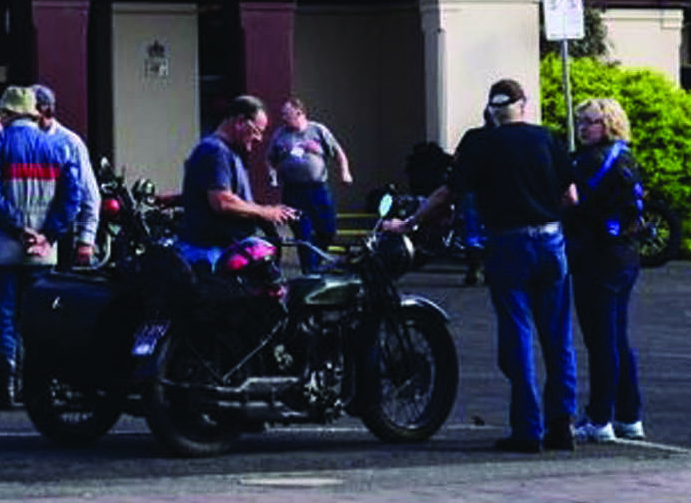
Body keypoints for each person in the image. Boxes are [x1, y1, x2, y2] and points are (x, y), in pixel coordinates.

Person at [389, 78, 578, 452]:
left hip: (508, 242)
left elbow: (448, 194)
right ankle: (561, 423)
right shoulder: (547, 138)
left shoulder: (481, 143)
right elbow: (571, 196)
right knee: (557, 335)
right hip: (550, 239)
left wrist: (409, 223)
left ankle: (527, 430)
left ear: (492, 110)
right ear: (523, 104)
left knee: (518, 332)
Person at [0, 83, 88, 408]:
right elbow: (72, 198)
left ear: (7, 114)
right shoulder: (59, 146)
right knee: (36, 320)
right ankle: (34, 385)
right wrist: (47, 235)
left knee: (2, 318)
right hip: (42, 252)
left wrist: (17, 228)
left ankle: (4, 386)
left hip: (0, 249)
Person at [567, 96, 646, 443]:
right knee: (617, 338)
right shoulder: (625, 157)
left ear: (608, 124)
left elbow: (571, 203)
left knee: (601, 341)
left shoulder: (588, 162)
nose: (583, 128)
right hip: (625, 255)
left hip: (596, 256)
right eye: (580, 122)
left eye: (590, 122)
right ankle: (629, 416)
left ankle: (600, 418)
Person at [179, 94, 297, 255]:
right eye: (257, 131)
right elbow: (222, 202)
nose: (259, 139)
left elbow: (206, 194)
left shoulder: (226, 151)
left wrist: (177, 198)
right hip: (212, 251)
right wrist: (266, 212)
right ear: (240, 122)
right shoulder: (216, 151)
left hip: (221, 248)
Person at [268, 96, 353, 274]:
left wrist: (345, 173)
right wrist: (273, 176)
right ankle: (310, 273)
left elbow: (338, 153)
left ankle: (315, 264)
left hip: (317, 190)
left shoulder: (318, 130)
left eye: (286, 114)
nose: (283, 117)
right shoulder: (280, 134)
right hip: (293, 192)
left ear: (299, 113)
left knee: (327, 231)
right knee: (302, 235)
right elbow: (270, 160)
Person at [31, 84, 101, 265]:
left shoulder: (69, 142)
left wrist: (86, 240)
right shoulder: (24, 141)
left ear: (45, 111)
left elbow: (89, 193)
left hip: (61, 228)